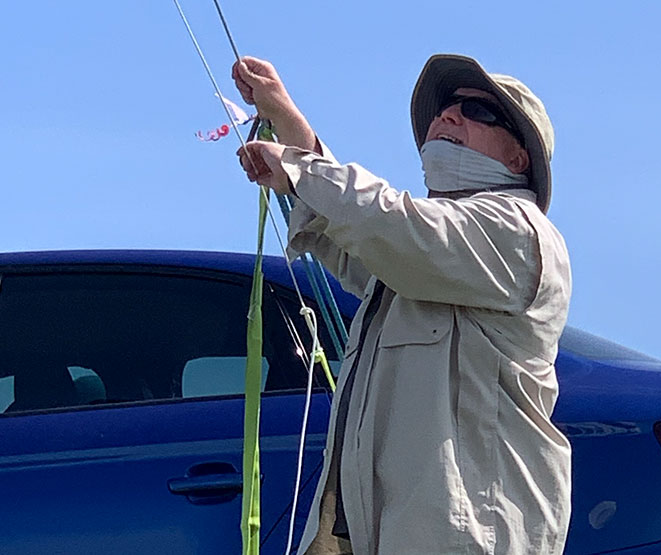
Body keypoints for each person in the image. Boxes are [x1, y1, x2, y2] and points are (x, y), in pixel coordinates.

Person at [233, 54, 571, 554]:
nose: (448, 116)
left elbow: (395, 227)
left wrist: (302, 171)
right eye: (446, 108)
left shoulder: (519, 231)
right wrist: (287, 121)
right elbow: (357, 234)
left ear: (519, 159)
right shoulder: (424, 253)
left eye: (478, 112)